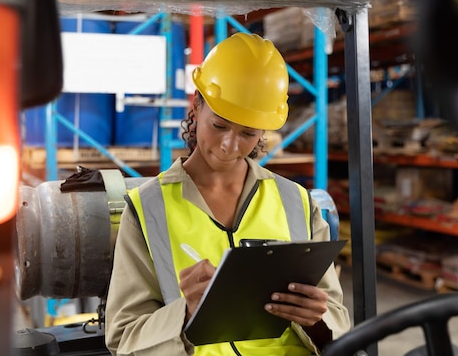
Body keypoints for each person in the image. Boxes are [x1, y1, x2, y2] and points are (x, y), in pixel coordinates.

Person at [105, 32, 351, 356]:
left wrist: (316, 321)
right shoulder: (147, 211)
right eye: (219, 125)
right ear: (196, 106)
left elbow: (337, 322)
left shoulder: (297, 204)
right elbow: (124, 338)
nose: (228, 146)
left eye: (248, 133)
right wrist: (187, 314)